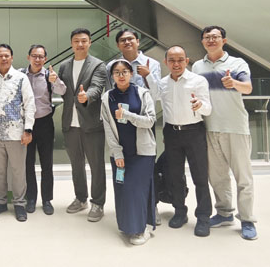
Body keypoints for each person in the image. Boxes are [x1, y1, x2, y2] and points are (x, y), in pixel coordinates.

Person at [191, 26, 257, 240]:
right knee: (217, 176)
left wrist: (234, 83)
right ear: (202, 41)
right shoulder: (197, 66)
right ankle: (224, 213)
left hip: (235, 127)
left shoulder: (237, 63)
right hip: (209, 128)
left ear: (224, 40)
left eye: (215, 37)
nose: (211, 40)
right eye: (207, 37)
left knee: (243, 177)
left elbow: (248, 88)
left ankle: (247, 219)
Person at [146, 46, 213, 237]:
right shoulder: (163, 83)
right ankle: (180, 212)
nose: (176, 64)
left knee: (200, 177)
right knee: (174, 175)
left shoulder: (198, 81)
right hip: (172, 133)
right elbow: (154, 97)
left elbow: (208, 109)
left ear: (187, 61)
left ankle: (203, 217)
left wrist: (200, 105)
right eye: (172, 60)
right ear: (166, 62)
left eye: (180, 60)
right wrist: (148, 76)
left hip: (194, 132)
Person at [101, 59, 157, 245]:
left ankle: (140, 229)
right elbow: (108, 128)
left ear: (131, 73)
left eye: (124, 71)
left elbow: (150, 121)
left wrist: (127, 115)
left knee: (137, 190)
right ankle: (127, 226)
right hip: (120, 154)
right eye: (117, 72)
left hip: (142, 153)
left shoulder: (142, 93)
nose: (121, 75)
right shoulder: (107, 97)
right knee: (123, 189)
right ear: (112, 76)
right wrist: (117, 153)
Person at [57, 28, 108, 222]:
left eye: (84, 41)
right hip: (70, 124)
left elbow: (97, 86)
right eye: (76, 41)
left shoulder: (98, 65)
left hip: (92, 124)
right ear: (71, 43)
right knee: (76, 165)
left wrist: (87, 96)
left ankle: (98, 203)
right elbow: (62, 90)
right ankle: (80, 198)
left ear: (90, 42)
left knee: (96, 166)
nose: (80, 44)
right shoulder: (64, 66)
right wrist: (53, 82)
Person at [0, 44, 36, 221]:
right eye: (0, 56)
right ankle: (0, 202)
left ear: (12, 57)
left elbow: (30, 104)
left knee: (18, 171)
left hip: (17, 134)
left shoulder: (21, 78)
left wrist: (28, 129)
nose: (4, 58)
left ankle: (19, 204)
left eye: (7, 55)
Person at [21, 45, 65, 215]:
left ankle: (47, 200)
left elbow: (63, 90)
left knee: (47, 164)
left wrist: (56, 80)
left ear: (45, 59)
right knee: (28, 164)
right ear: (28, 57)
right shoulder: (21, 75)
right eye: (34, 56)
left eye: (41, 57)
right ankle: (31, 198)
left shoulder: (49, 76)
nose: (37, 59)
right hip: (26, 125)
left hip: (45, 123)